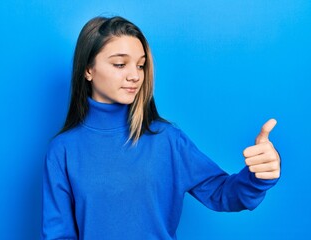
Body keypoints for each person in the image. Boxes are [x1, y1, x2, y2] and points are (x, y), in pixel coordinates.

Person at [42, 16, 280, 240]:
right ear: (88, 69)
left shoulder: (167, 140)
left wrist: (258, 176)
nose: (135, 75)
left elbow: (222, 194)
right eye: (120, 64)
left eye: (141, 65)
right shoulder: (62, 151)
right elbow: (58, 234)